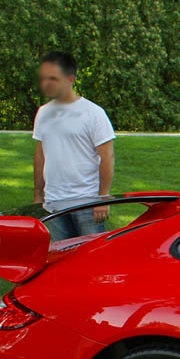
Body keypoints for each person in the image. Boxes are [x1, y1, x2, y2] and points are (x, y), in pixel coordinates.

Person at [32, 51, 116, 238]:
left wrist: (103, 198)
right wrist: (38, 196)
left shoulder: (93, 113)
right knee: (62, 259)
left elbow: (107, 156)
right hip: (53, 203)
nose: (47, 83)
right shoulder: (43, 113)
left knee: (91, 259)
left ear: (70, 79)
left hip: (86, 203)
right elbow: (40, 155)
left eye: (54, 78)